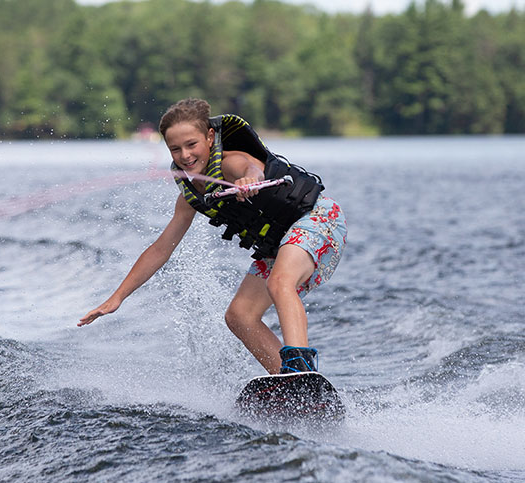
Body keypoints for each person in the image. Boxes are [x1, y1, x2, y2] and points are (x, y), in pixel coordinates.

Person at [78, 98, 347, 375]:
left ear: (209, 137)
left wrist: (249, 179)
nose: (184, 155)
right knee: (239, 316)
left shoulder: (231, 163)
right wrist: (118, 297)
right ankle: (288, 381)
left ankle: (300, 369)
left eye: (191, 145)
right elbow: (160, 249)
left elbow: (250, 167)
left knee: (280, 283)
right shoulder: (191, 196)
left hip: (318, 219)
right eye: (175, 149)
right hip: (280, 244)